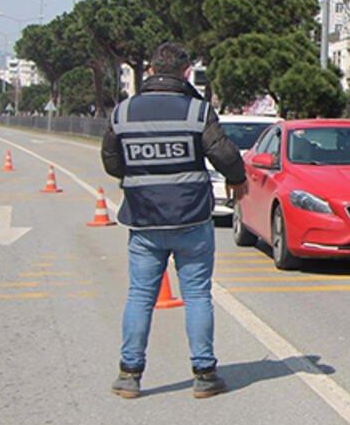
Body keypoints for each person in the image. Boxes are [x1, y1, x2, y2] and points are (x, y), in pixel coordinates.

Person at [100, 43, 248, 399]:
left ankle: (129, 374)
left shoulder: (123, 112)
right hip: (191, 219)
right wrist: (237, 179)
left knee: (139, 295)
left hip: (144, 219)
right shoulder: (197, 112)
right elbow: (223, 152)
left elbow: (111, 161)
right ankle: (204, 374)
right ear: (184, 73)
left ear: (150, 70)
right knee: (197, 294)